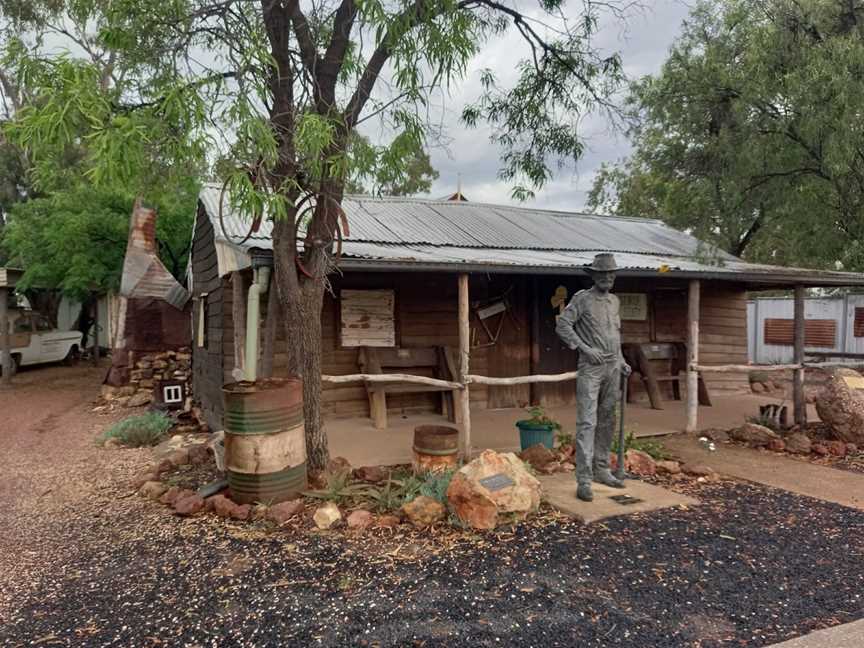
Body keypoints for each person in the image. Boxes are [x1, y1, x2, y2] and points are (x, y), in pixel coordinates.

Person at [555, 253, 631, 502]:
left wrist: (621, 360)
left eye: (611, 274)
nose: (608, 278)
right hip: (591, 367)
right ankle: (584, 479)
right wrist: (585, 349)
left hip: (612, 368)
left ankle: (602, 469)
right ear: (594, 275)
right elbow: (563, 325)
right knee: (587, 422)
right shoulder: (582, 299)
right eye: (603, 274)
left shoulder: (615, 302)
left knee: (608, 419)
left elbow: (615, 334)